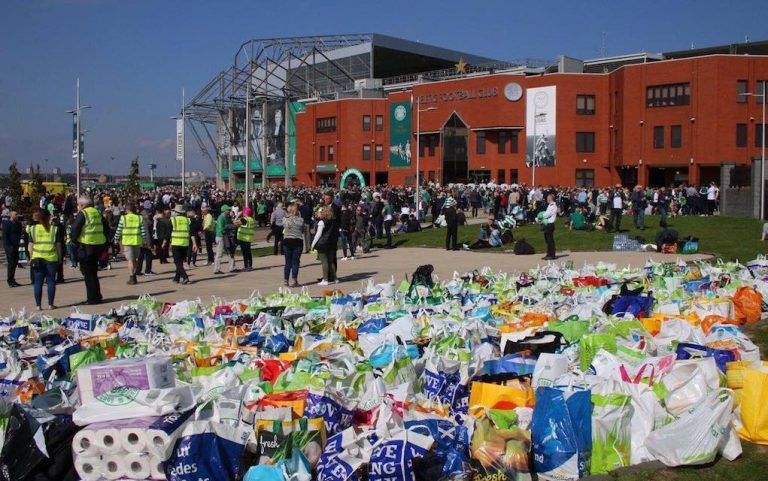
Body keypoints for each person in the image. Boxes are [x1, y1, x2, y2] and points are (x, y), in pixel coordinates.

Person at [71, 195, 108, 305]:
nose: (78, 207)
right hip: (98, 245)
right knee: (94, 273)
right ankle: (97, 296)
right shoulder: (97, 212)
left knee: (88, 275)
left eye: (79, 205)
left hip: (86, 246)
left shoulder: (83, 213)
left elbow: (75, 229)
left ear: (82, 205)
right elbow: (106, 227)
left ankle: (92, 299)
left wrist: (74, 240)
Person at [28, 209, 62, 310]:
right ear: (48, 217)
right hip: (51, 258)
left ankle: (38, 305)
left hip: (37, 258)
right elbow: (58, 246)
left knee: (38, 282)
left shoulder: (33, 229)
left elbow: (30, 246)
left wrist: (31, 257)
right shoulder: (54, 229)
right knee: (51, 281)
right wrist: (60, 258)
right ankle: (50, 304)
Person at [113, 203, 147, 285]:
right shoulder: (139, 218)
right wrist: (145, 240)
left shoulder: (123, 218)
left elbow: (119, 229)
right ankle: (134, 275)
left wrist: (116, 238)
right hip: (136, 240)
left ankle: (132, 277)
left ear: (127, 210)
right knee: (134, 259)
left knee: (130, 260)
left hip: (127, 241)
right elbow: (143, 230)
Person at [170, 204, 197, 284]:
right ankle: (176, 278)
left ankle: (185, 277)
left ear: (176, 212)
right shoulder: (188, 220)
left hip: (175, 243)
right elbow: (192, 233)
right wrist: (194, 243)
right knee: (180, 261)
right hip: (185, 243)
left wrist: (165, 243)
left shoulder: (172, 220)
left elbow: (168, 233)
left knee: (177, 262)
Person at [311, 206, 337, 285]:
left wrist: (312, 244)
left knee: (324, 262)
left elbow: (318, 235)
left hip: (323, 243)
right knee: (331, 262)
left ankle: (325, 279)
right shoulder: (334, 220)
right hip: (332, 243)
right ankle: (335, 278)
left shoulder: (322, 222)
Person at [282, 203, 304, 287]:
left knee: (288, 262)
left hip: (287, 240)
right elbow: (301, 229)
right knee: (295, 262)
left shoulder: (285, 219)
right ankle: (294, 280)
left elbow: (285, 226)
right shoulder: (300, 220)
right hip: (297, 240)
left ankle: (286, 280)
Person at [213, 204, 236, 274]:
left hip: (225, 236)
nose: (229, 211)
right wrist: (230, 227)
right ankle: (216, 269)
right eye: (228, 210)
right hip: (221, 237)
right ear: (224, 210)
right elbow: (221, 228)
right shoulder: (221, 217)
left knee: (230, 252)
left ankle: (232, 267)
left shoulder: (226, 217)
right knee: (219, 253)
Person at [2, 210, 22, 288]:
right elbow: (5, 235)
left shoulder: (18, 224)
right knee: (11, 263)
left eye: (17, 214)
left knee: (15, 262)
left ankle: (13, 279)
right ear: (11, 215)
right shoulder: (7, 223)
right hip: (9, 246)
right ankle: (10, 280)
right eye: (15, 214)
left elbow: (19, 233)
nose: (17, 216)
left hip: (16, 245)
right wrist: (9, 246)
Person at [137, 210, 156, 276]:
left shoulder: (139, 221)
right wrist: (149, 244)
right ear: (144, 215)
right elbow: (147, 234)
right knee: (148, 256)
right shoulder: (146, 222)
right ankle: (148, 271)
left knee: (140, 256)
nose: (149, 215)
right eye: (148, 214)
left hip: (140, 241)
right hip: (145, 242)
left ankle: (138, 271)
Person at [237, 207, 255, 271]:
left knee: (245, 253)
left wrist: (238, 215)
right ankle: (250, 265)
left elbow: (235, 222)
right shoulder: (251, 219)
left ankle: (246, 266)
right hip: (249, 238)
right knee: (248, 252)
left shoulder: (244, 219)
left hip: (243, 238)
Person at [542, 193, 558, 260]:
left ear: (550, 199)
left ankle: (552, 255)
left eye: (547, 198)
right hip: (547, 224)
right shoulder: (550, 205)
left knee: (550, 240)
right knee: (547, 240)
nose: (546, 199)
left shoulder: (552, 206)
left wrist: (541, 215)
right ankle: (549, 254)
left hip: (550, 224)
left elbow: (547, 214)